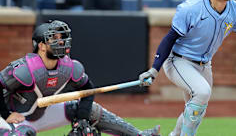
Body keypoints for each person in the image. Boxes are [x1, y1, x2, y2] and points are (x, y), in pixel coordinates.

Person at [139, 0, 236, 136]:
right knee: (202, 92)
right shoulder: (190, 8)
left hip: (205, 64)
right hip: (179, 61)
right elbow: (169, 39)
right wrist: (154, 69)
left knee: (196, 109)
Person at [0, 20, 161, 136]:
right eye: (54, 39)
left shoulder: (69, 67)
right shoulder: (23, 70)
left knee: (92, 110)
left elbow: (88, 90)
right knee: (23, 133)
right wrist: (6, 114)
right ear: (41, 46)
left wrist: (82, 118)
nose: (61, 42)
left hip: (40, 114)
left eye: (61, 38)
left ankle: (139, 135)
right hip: (11, 119)